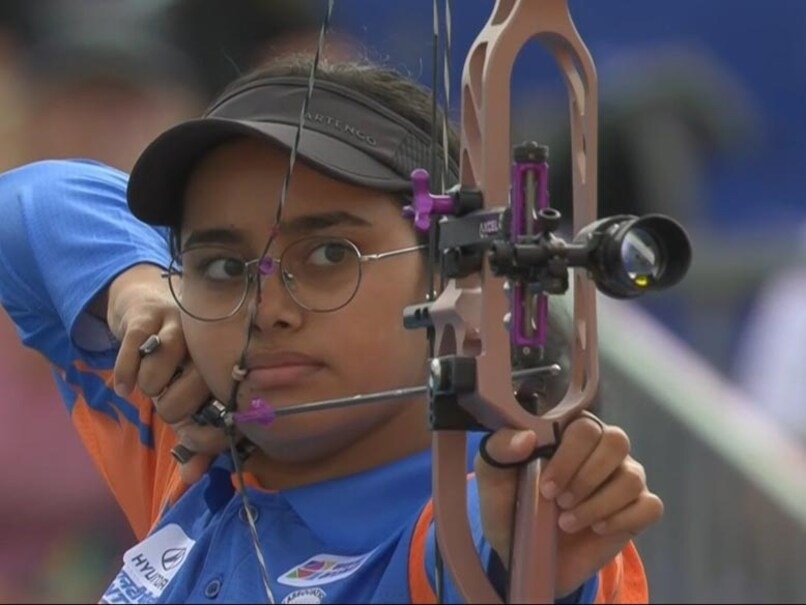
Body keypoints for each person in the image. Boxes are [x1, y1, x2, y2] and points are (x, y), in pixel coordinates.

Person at [0, 54, 662, 604]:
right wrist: (137, 287)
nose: (265, 308)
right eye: (224, 266)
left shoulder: (475, 516)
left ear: (458, 277)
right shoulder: (191, 432)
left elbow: (495, 559)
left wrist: (523, 545)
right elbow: (28, 206)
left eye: (327, 257)